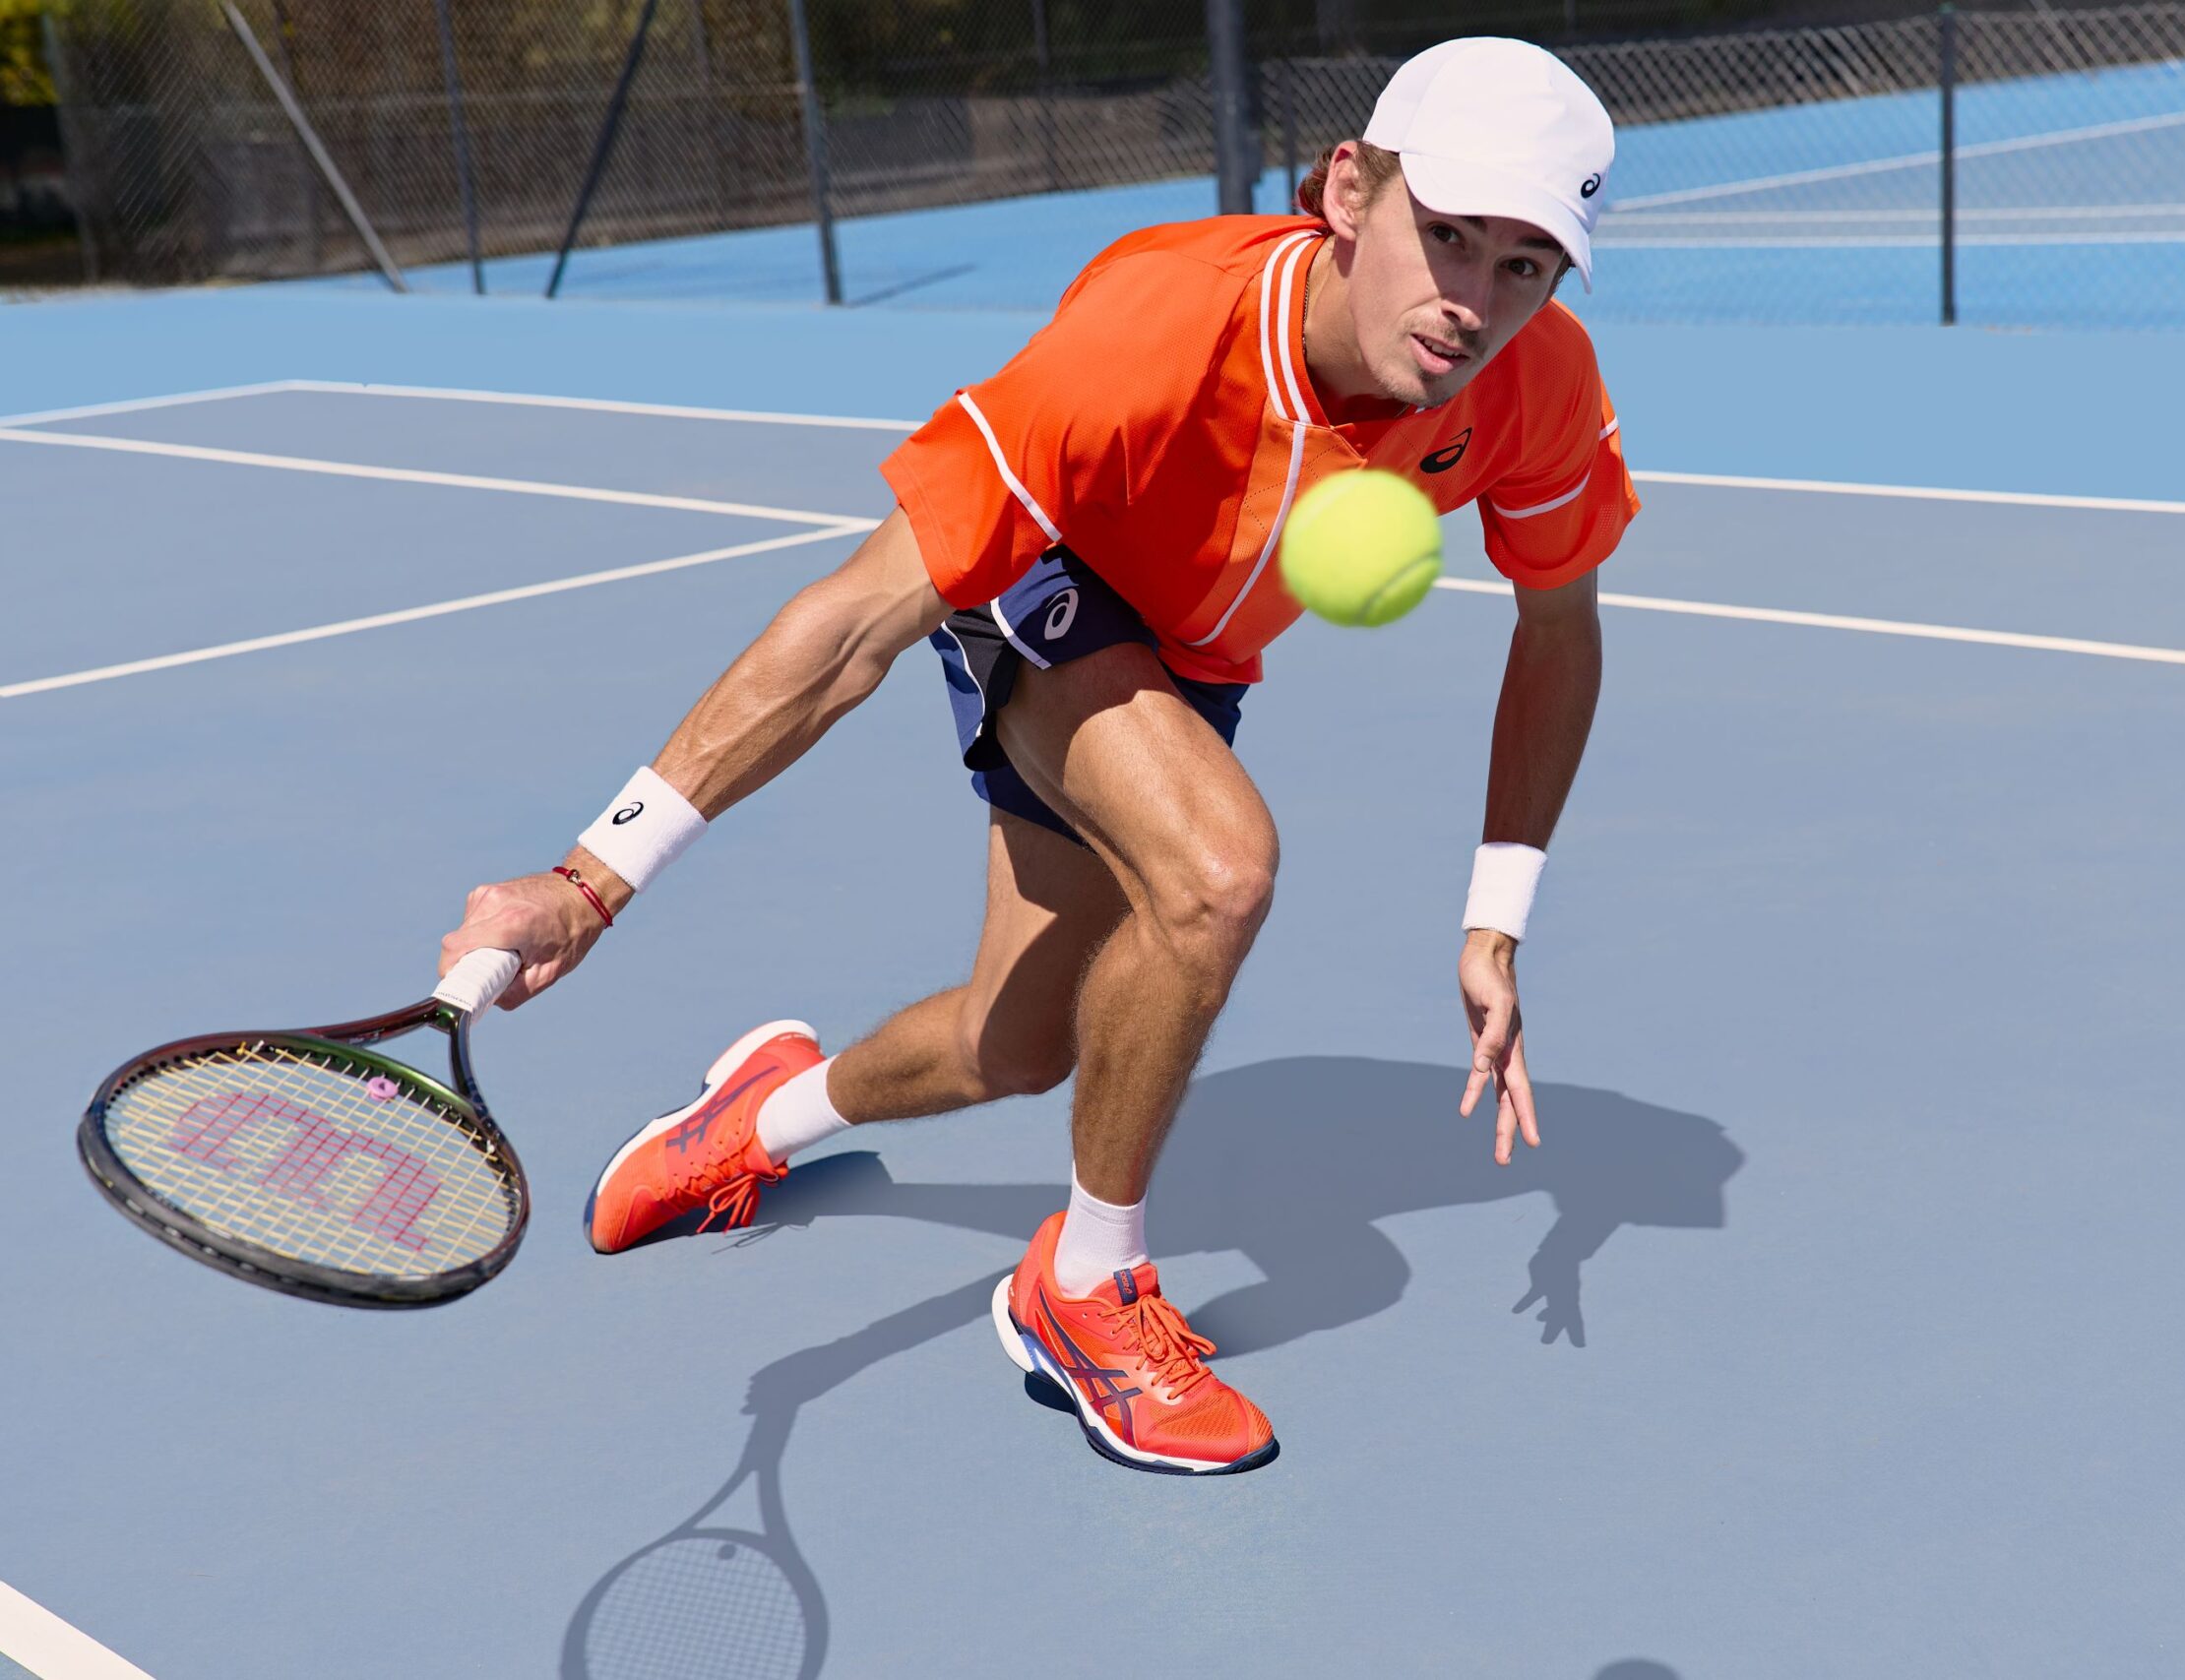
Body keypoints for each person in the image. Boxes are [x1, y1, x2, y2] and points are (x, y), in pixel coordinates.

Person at [437, 35, 1638, 1477]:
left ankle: (760, 1115)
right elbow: (853, 624)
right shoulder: (1155, 332)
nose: (1473, 304)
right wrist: (592, 879)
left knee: (1016, 1047)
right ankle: (1081, 1287)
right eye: (1445, 237)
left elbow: (1560, 626)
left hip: (1194, 655)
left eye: (1525, 266)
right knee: (1219, 870)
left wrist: (1496, 916)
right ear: (1347, 192)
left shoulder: (1535, 385)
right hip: (1045, 580)